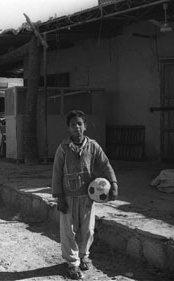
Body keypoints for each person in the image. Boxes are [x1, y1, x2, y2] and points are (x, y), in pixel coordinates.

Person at [51, 110, 118, 280]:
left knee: (87, 229)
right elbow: (57, 172)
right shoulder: (63, 148)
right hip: (68, 197)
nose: (77, 127)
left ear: (85, 126)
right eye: (73, 124)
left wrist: (114, 184)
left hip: (87, 197)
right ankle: (72, 263)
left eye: (80, 124)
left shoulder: (93, 146)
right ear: (68, 128)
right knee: (68, 230)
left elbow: (105, 164)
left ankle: (83, 255)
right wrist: (59, 196)